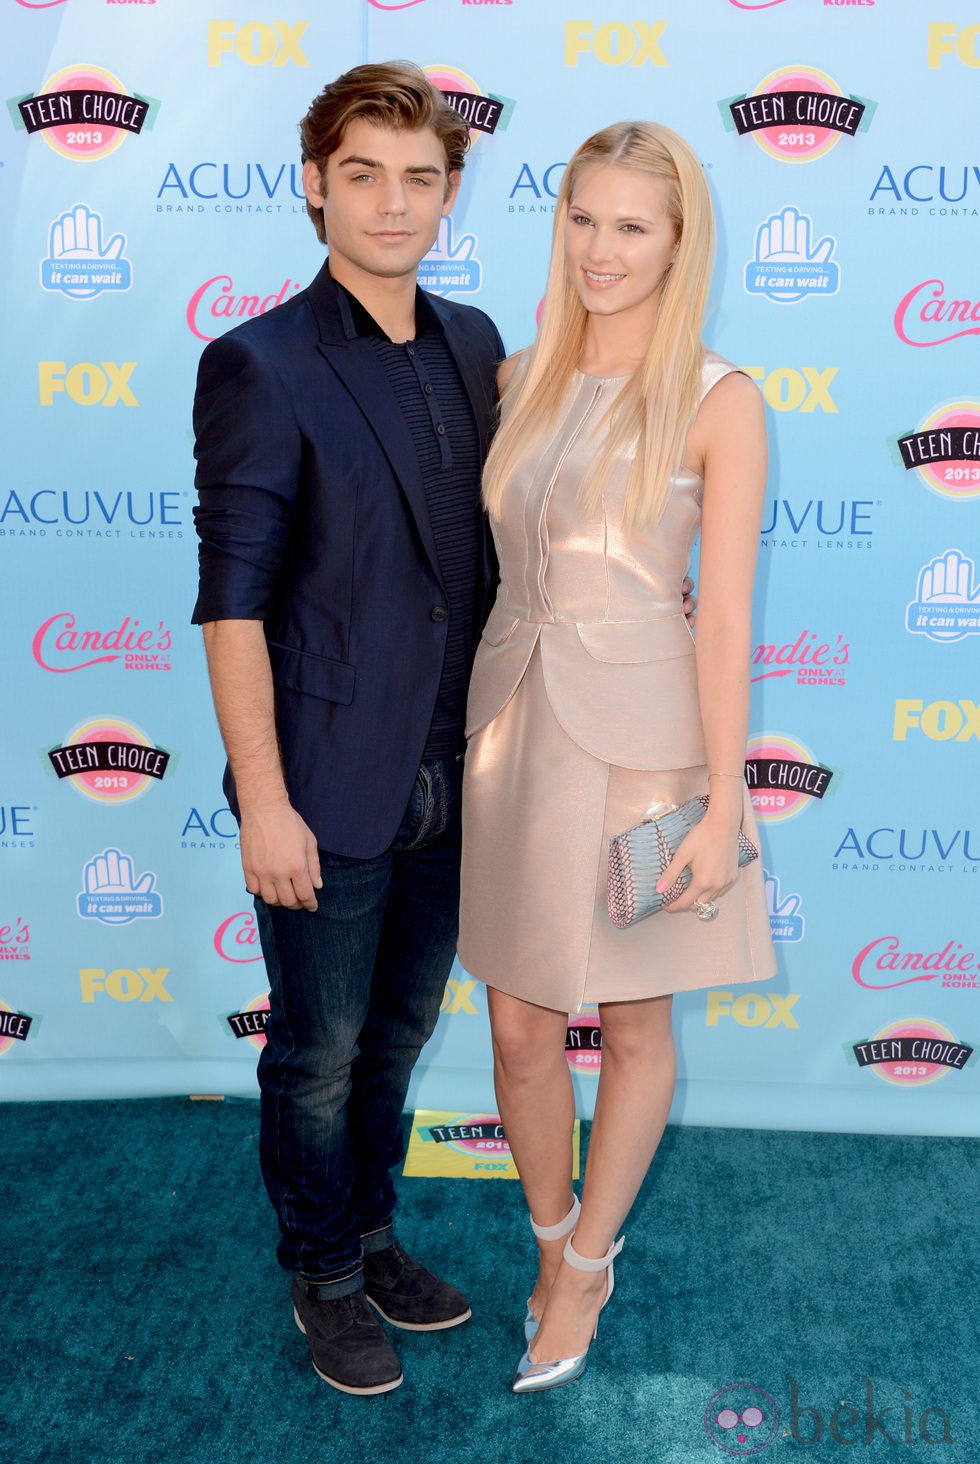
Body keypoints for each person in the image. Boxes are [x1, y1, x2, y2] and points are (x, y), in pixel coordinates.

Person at [191, 62, 505, 1396]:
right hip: (325, 784)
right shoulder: (258, 363)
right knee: (315, 1057)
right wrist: (265, 799)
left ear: (449, 193)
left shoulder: (479, 342)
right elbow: (234, 604)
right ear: (314, 184)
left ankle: (373, 1238)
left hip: (458, 778)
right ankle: (321, 1276)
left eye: (419, 178)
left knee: (394, 1043)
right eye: (362, 175)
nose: (392, 203)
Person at [457, 120, 778, 1393]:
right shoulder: (518, 374)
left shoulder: (719, 399)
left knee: (635, 1028)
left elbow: (728, 619)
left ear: (677, 240)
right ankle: (546, 1240)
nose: (600, 248)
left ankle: (589, 1262)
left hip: (648, 752)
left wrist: (721, 802)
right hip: (514, 735)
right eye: (582, 219)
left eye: (630, 226)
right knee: (522, 1031)